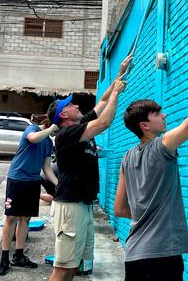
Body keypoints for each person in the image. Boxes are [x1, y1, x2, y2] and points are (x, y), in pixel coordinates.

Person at [114, 41, 188, 281]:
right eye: (157, 114)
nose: (164, 115)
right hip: (162, 256)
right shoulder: (162, 145)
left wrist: (146, 216)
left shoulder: (127, 157)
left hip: (134, 255)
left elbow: (120, 209)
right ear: (145, 125)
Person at [48, 55, 130, 281]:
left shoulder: (79, 125)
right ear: (64, 114)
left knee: (74, 266)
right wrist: (117, 93)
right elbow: (104, 122)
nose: (76, 105)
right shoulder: (67, 134)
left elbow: (102, 102)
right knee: (63, 268)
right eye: (71, 105)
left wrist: (120, 73)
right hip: (70, 206)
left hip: (82, 204)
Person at [0, 114, 59, 276]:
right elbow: (33, 139)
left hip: (33, 181)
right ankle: (4, 258)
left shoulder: (48, 142)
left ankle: (19, 255)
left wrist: (58, 184)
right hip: (17, 179)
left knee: (25, 219)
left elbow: (46, 167)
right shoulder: (32, 129)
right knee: (11, 218)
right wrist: (51, 129)